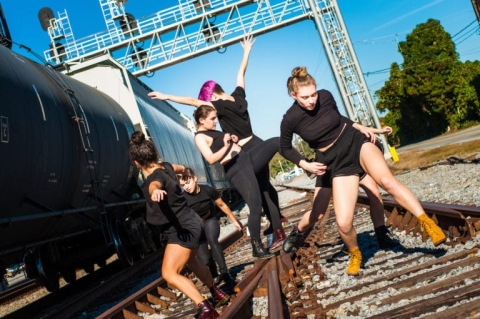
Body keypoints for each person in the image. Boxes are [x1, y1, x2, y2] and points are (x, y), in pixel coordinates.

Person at [279, 66, 446, 276]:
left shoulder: (326, 97)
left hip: (354, 143)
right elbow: (284, 147)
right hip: (335, 162)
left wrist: (365, 128)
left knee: (386, 182)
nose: (312, 100)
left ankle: (427, 223)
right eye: (305, 97)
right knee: (343, 221)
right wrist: (305, 164)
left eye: (313, 94)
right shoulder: (290, 118)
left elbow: (341, 121)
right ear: (294, 95)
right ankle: (355, 253)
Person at [148, 34, 287, 243]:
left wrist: (167, 96)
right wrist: (247, 51)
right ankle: (277, 224)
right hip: (257, 141)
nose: (206, 106)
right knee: (265, 187)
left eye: (207, 101)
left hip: (245, 150)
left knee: (259, 192)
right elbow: (241, 73)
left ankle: (276, 230)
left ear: (212, 96)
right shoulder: (239, 97)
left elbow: (192, 101)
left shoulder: (218, 105)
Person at [129, 131, 229, 318]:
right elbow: (181, 168)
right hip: (193, 222)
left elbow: (155, 185)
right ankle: (216, 293)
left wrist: (155, 192)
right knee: (192, 261)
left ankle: (206, 309)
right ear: (153, 154)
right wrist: (182, 174)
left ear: (136, 163)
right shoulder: (166, 167)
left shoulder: (153, 178)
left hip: (181, 229)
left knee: (169, 273)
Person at [282, 126, 399, 254]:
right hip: (328, 164)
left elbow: (352, 124)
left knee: (374, 193)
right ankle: (296, 232)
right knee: (318, 213)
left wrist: (378, 131)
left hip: (349, 159)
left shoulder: (329, 110)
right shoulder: (305, 119)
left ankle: (381, 235)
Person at [192, 104, 286, 258]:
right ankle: (256, 247)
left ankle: (305, 164)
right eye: (212, 119)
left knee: (276, 141)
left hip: (244, 159)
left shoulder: (211, 131)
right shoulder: (199, 137)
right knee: (255, 207)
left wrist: (233, 141)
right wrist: (226, 145)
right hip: (236, 169)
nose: (216, 121)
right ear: (201, 120)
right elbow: (210, 159)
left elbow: (225, 145)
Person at [178, 167, 242, 286]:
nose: (186, 186)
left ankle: (224, 273)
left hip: (209, 220)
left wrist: (234, 220)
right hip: (196, 227)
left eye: (188, 182)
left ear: (195, 178)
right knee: (205, 259)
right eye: (182, 185)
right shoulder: (182, 199)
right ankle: (214, 275)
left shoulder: (208, 190)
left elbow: (222, 205)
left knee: (213, 241)